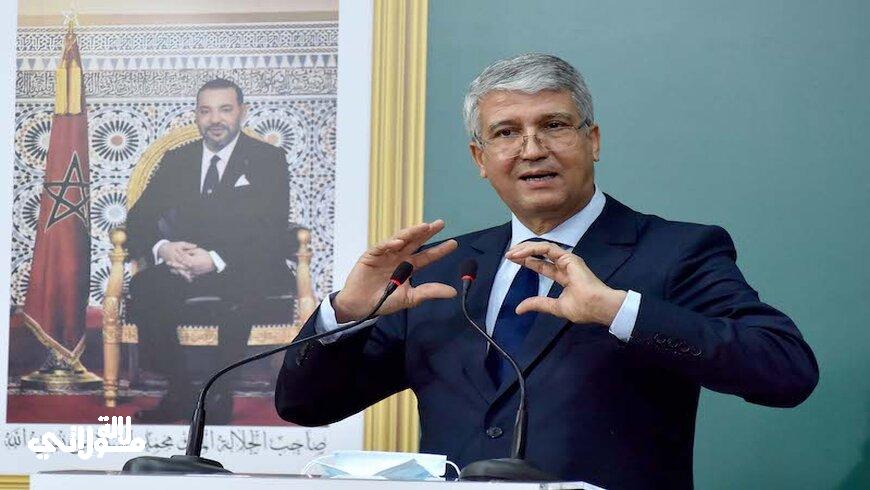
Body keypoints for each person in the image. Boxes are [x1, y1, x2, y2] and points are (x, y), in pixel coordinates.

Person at [274, 54, 818, 488]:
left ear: (592, 141)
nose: (532, 149)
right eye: (506, 133)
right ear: (480, 159)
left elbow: (786, 370)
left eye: (554, 125)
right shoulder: (446, 270)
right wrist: (346, 313)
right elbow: (305, 405)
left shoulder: (674, 251)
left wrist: (617, 310)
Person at [127, 78, 293, 424]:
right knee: (145, 286)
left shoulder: (268, 159)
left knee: (244, 288)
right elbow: (138, 218)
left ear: (242, 112)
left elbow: (272, 229)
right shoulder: (178, 160)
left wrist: (215, 260)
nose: (215, 119)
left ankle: (219, 395)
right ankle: (180, 392)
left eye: (224, 109)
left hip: (245, 265)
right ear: (196, 116)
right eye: (206, 111)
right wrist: (165, 249)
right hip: (184, 264)